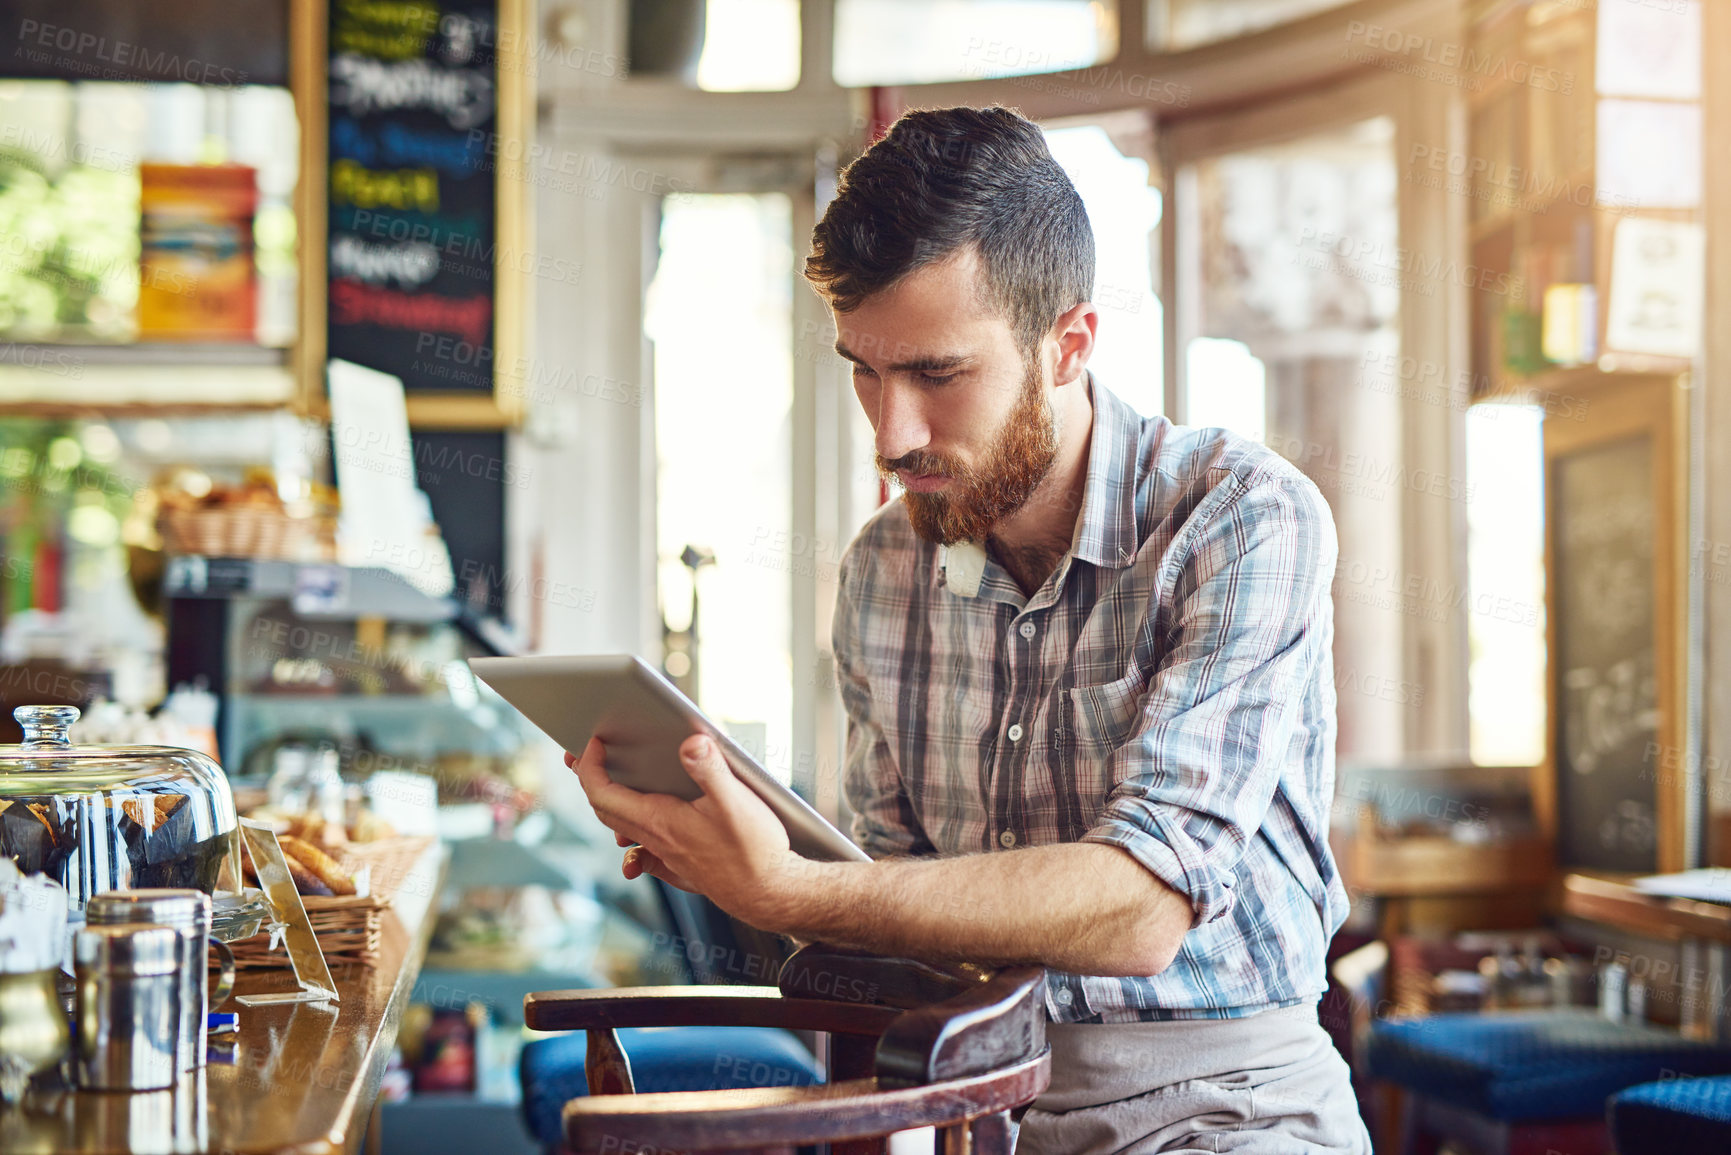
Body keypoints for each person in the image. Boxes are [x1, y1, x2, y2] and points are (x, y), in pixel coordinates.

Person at [568, 104, 1371, 1153]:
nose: (891, 434)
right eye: (865, 368)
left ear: (1068, 345)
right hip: (976, 1104)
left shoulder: (1241, 519)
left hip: (1230, 1105)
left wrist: (795, 887)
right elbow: (895, 915)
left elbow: (1142, 910)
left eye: (937, 375)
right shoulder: (881, 573)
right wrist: (732, 862)